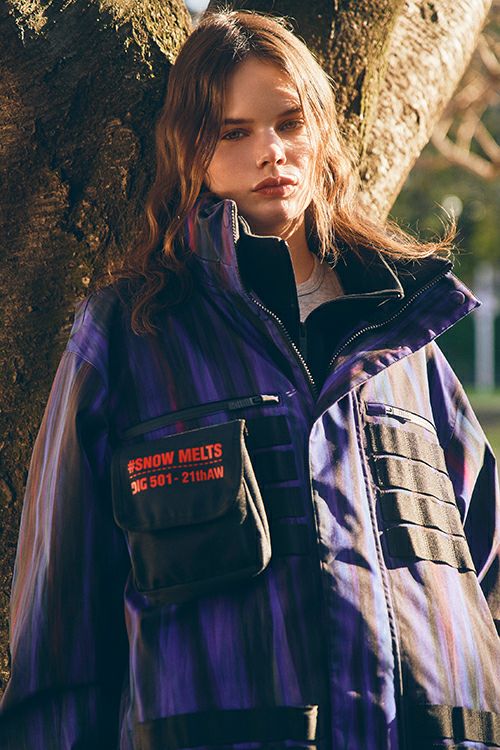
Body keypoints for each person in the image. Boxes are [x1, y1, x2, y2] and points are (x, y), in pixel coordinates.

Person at [0, 9, 498, 750]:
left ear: (322, 132)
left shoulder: (405, 336)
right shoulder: (132, 335)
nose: (272, 151)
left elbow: (486, 568)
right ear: (189, 150)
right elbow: (60, 621)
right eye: (234, 131)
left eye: (290, 123)